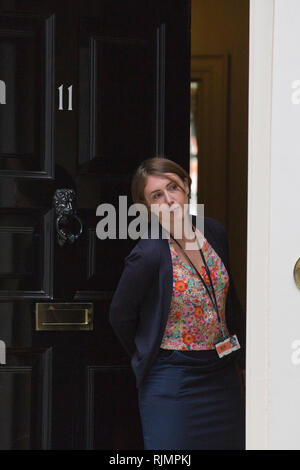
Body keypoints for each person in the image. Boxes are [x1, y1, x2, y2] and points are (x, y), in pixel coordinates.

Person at [109, 157, 246, 450]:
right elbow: (120, 315)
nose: (169, 199)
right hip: (173, 379)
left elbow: (230, 302)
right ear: (146, 207)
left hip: (222, 375)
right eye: (156, 195)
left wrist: (244, 362)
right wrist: (147, 351)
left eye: (173, 187)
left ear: (187, 186)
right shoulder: (148, 253)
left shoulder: (214, 232)